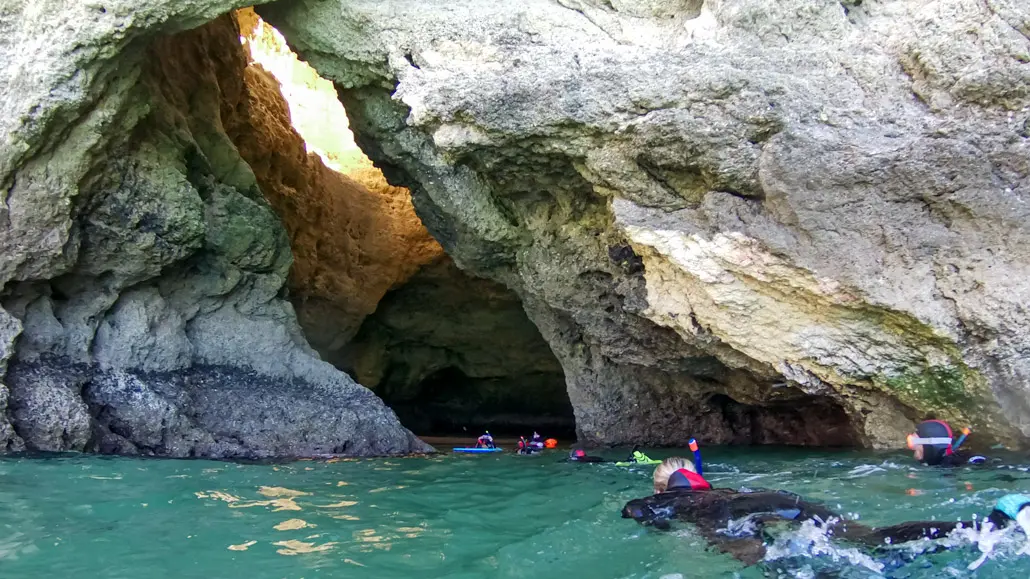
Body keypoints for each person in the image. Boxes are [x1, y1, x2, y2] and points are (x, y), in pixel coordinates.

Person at [623, 457, 975, 566]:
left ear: (661, 489)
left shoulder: (670, 503)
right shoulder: (731, 490)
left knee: (765, 560)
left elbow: (636, 513)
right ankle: (980, 527)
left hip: (729, 517)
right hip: (777, 499)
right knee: (870, 536)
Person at [907, 419, 986, 466]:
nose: (911, 447)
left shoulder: (969, 461)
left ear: (929, 446)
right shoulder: (932, 465)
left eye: (913, 442)